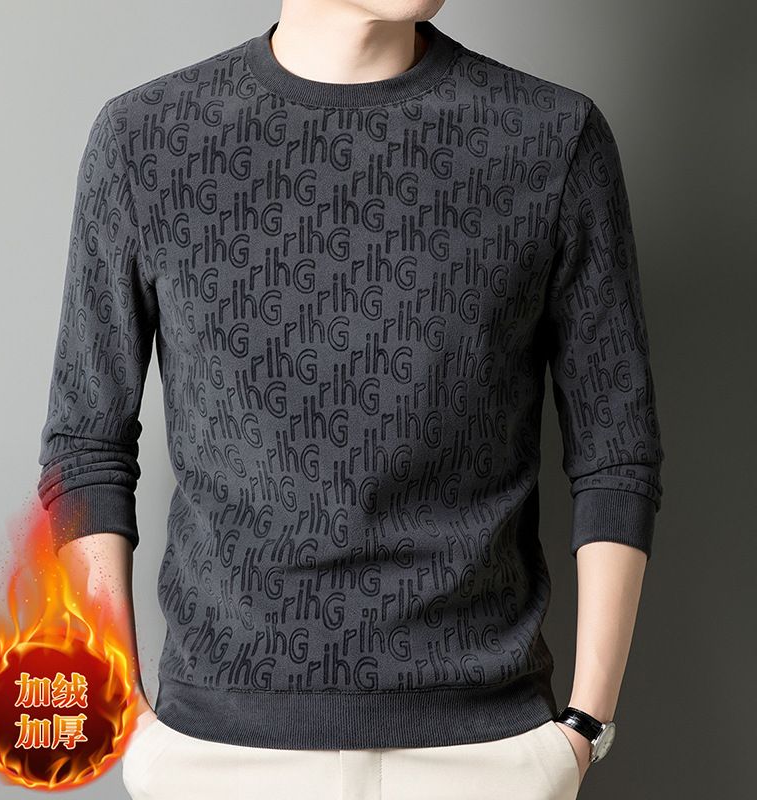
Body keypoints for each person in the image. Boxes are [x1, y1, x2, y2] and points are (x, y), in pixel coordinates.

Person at [36, 1, 665, 798]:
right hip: (218, 753)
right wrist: (128, 716)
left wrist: (584, 725)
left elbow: (617, 451)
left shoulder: (552, 137)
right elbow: (85, 447)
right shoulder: (145, 140)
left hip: (488, 751)